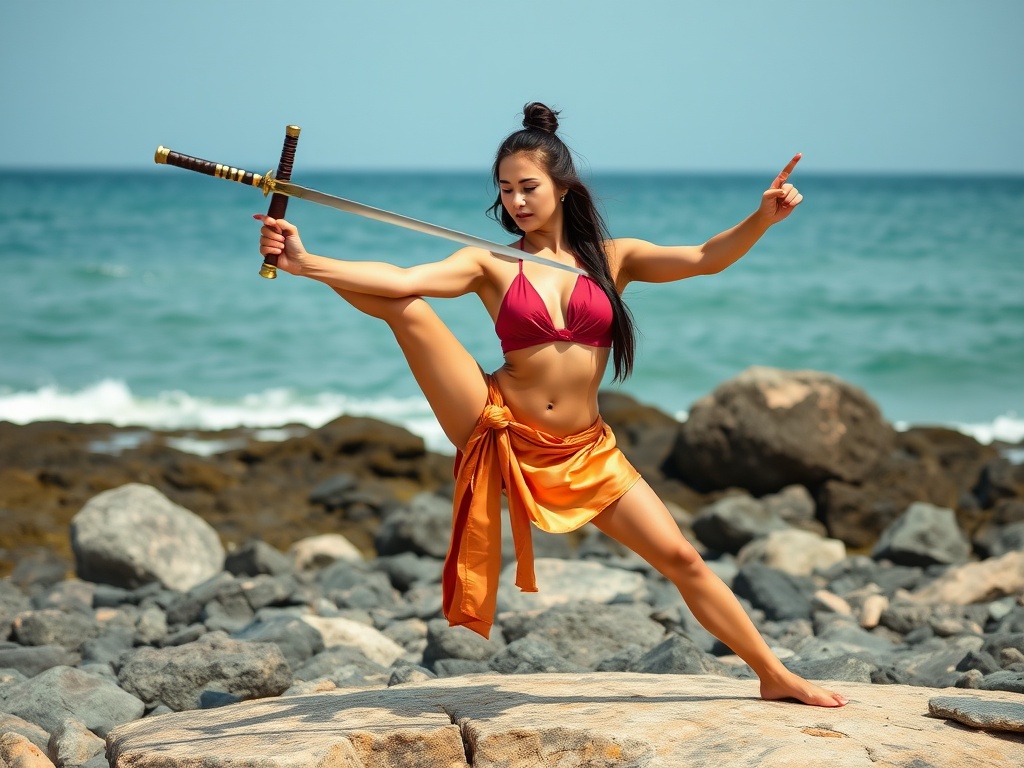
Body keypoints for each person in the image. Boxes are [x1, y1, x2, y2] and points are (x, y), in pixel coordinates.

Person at [257, 102, 848, 708]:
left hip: (586, 450)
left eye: (529, 187)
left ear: (564, 187)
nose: (517, 201)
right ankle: (309, 267)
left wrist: (760, 219)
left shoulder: (613, 259)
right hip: (498, 424)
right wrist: (307, 264)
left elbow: (703, 259)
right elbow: (402, 279)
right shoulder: (487, 261)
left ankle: (774, 674)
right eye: (506, 190)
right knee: (408, 310)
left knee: (682, 558)